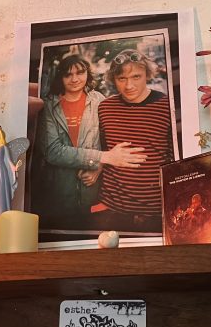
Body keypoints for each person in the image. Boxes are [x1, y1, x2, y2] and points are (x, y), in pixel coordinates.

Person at [33, 54, 146, 226]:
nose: (75, 79)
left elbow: (110, 141)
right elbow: (52, 152)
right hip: (59, 194)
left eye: (80, 72)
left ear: (87, 73)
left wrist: (99, 167)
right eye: (68, 74)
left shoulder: (99, 101)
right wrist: (101, 158)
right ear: (60, 77)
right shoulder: (49, 106)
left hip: (93, 192)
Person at [94, 49, 174, 233]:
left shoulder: (167, 106)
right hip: (112, 212)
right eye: (122, 78)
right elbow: (100, 150)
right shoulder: (105, 108)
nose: (129, 85)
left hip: (158, 214)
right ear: (113, 79)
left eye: (136, 76)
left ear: (147, 73)